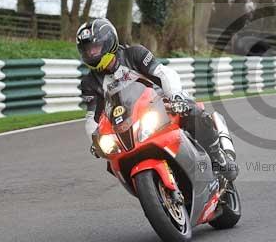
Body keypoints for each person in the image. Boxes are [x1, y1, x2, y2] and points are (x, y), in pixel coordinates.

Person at [77, 18, 237, 182]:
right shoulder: (89, 83)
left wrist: (175, 95)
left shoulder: (134, 54)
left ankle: (219, 158)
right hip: (128, 122)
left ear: (108, 42)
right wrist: (95, 141)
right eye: (87, 51)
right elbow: (92, 117)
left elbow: (163, 73)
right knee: (112, 161)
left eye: (95, 48)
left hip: (162, 104)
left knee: (193, 111)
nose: (91, 54)